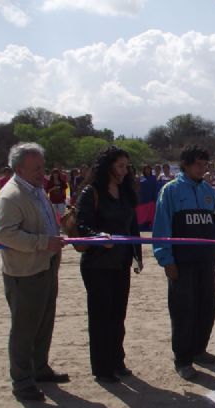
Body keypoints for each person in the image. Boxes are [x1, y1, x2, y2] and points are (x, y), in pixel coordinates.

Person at [0, 142, 69, 402]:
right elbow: (4, 233)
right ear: (19, 169)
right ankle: (22, 382)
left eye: (43, 167)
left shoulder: (36, 191)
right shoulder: (11, 196)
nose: (43, 173)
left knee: (43, 324)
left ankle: (40, 368)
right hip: (24, 273)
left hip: (45, 266)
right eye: (36, 168)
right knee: (24, 330)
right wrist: (42, 242)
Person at [153, 145, 215, 381]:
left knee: (206, 307)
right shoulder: (170, 191)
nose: (203, 169)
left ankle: (199, 350)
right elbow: (161, 227)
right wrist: (166, 259)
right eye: (198, 164)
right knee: (184, 310)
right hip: (181, 263)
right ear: (185, 164)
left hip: (205, 260)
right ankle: (182, 359)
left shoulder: (208, 191)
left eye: (205, 165)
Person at [76, 146, 143, 383]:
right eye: (120, 166)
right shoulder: (91, 192)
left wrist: (137, 255)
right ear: (108, 167)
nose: (125, 171)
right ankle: (102, 368)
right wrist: (98, 237)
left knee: (118, 315)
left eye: (127, 166)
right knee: (100, 316)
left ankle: (117, 360)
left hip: (121, 262)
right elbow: (82, 225)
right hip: (97, 265)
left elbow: (131, 226)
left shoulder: (125, 192)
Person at [137, 164, 157, 231]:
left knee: (151, 217)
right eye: (146, 169)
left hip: (151, 200)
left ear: (151, 170)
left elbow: (155, 188)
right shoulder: (141, 178)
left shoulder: (154, 178)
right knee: (143, 217)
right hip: (143, 200)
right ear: (144, 170)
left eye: (149, 169)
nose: (147, 170)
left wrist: (155, 199)